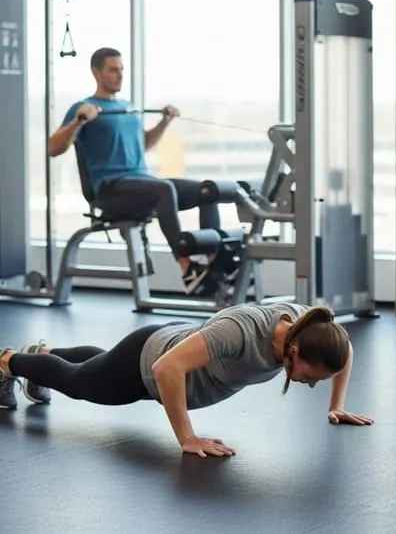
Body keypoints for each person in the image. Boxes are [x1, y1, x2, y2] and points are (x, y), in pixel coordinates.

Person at [0, 303, 373, 455]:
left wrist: (336, 405)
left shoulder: (310, 327)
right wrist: (187, 438)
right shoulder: (242, 331)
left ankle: (42, 355)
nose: (312, 384)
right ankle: (8, 362)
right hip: (146, 362)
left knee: (99, 365)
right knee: (80, 383)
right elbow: (166, 369)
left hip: (169, 341)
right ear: (294, 351)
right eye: (312, 376)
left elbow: (344, 350)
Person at [49, 47, 224, 296]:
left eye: (121, 69)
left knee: (208, 190)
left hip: (142, 185)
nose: (120, 75)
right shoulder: (84, 107)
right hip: (111, 191)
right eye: (113, 70)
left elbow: (143, 144)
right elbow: (53, 148)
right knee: (163, 189)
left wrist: (164, 122)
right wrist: (78, 121)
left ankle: (215, 263)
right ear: (96, 72)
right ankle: (187, 267)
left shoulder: (127, 107)